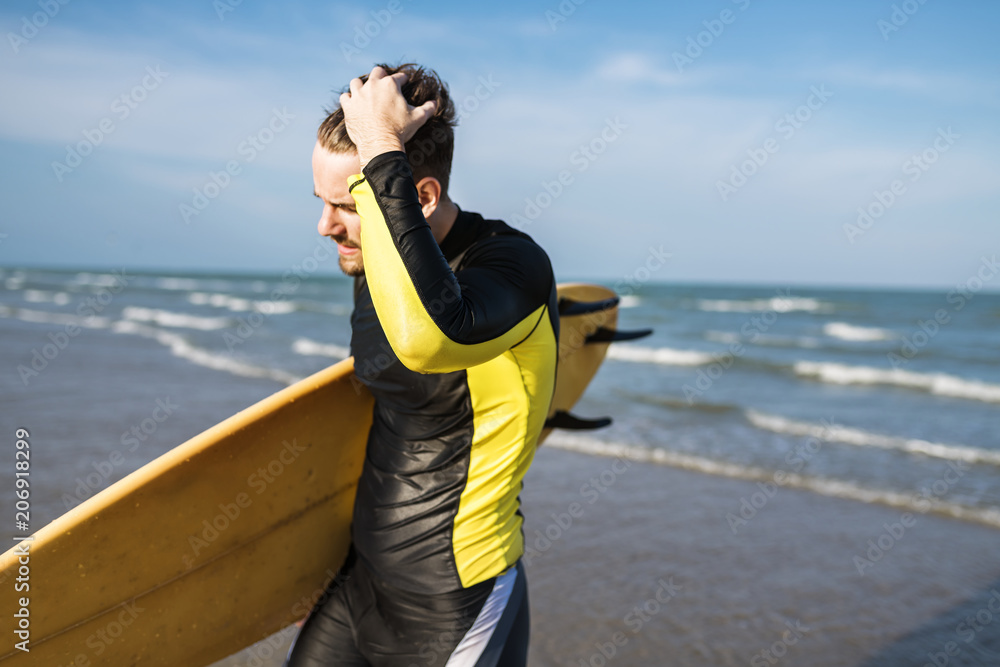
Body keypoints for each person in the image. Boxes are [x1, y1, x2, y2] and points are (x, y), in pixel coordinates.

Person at [285, 63, 559, 666]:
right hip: (360, 581)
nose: (325, 226)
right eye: (321, 202)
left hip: (457, 602)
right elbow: (377, 421)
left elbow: (429, 340)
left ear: (421, 196)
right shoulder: (373, 263)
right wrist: (310, 568)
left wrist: (383, 147)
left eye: (346, 203)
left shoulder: (514, 268)